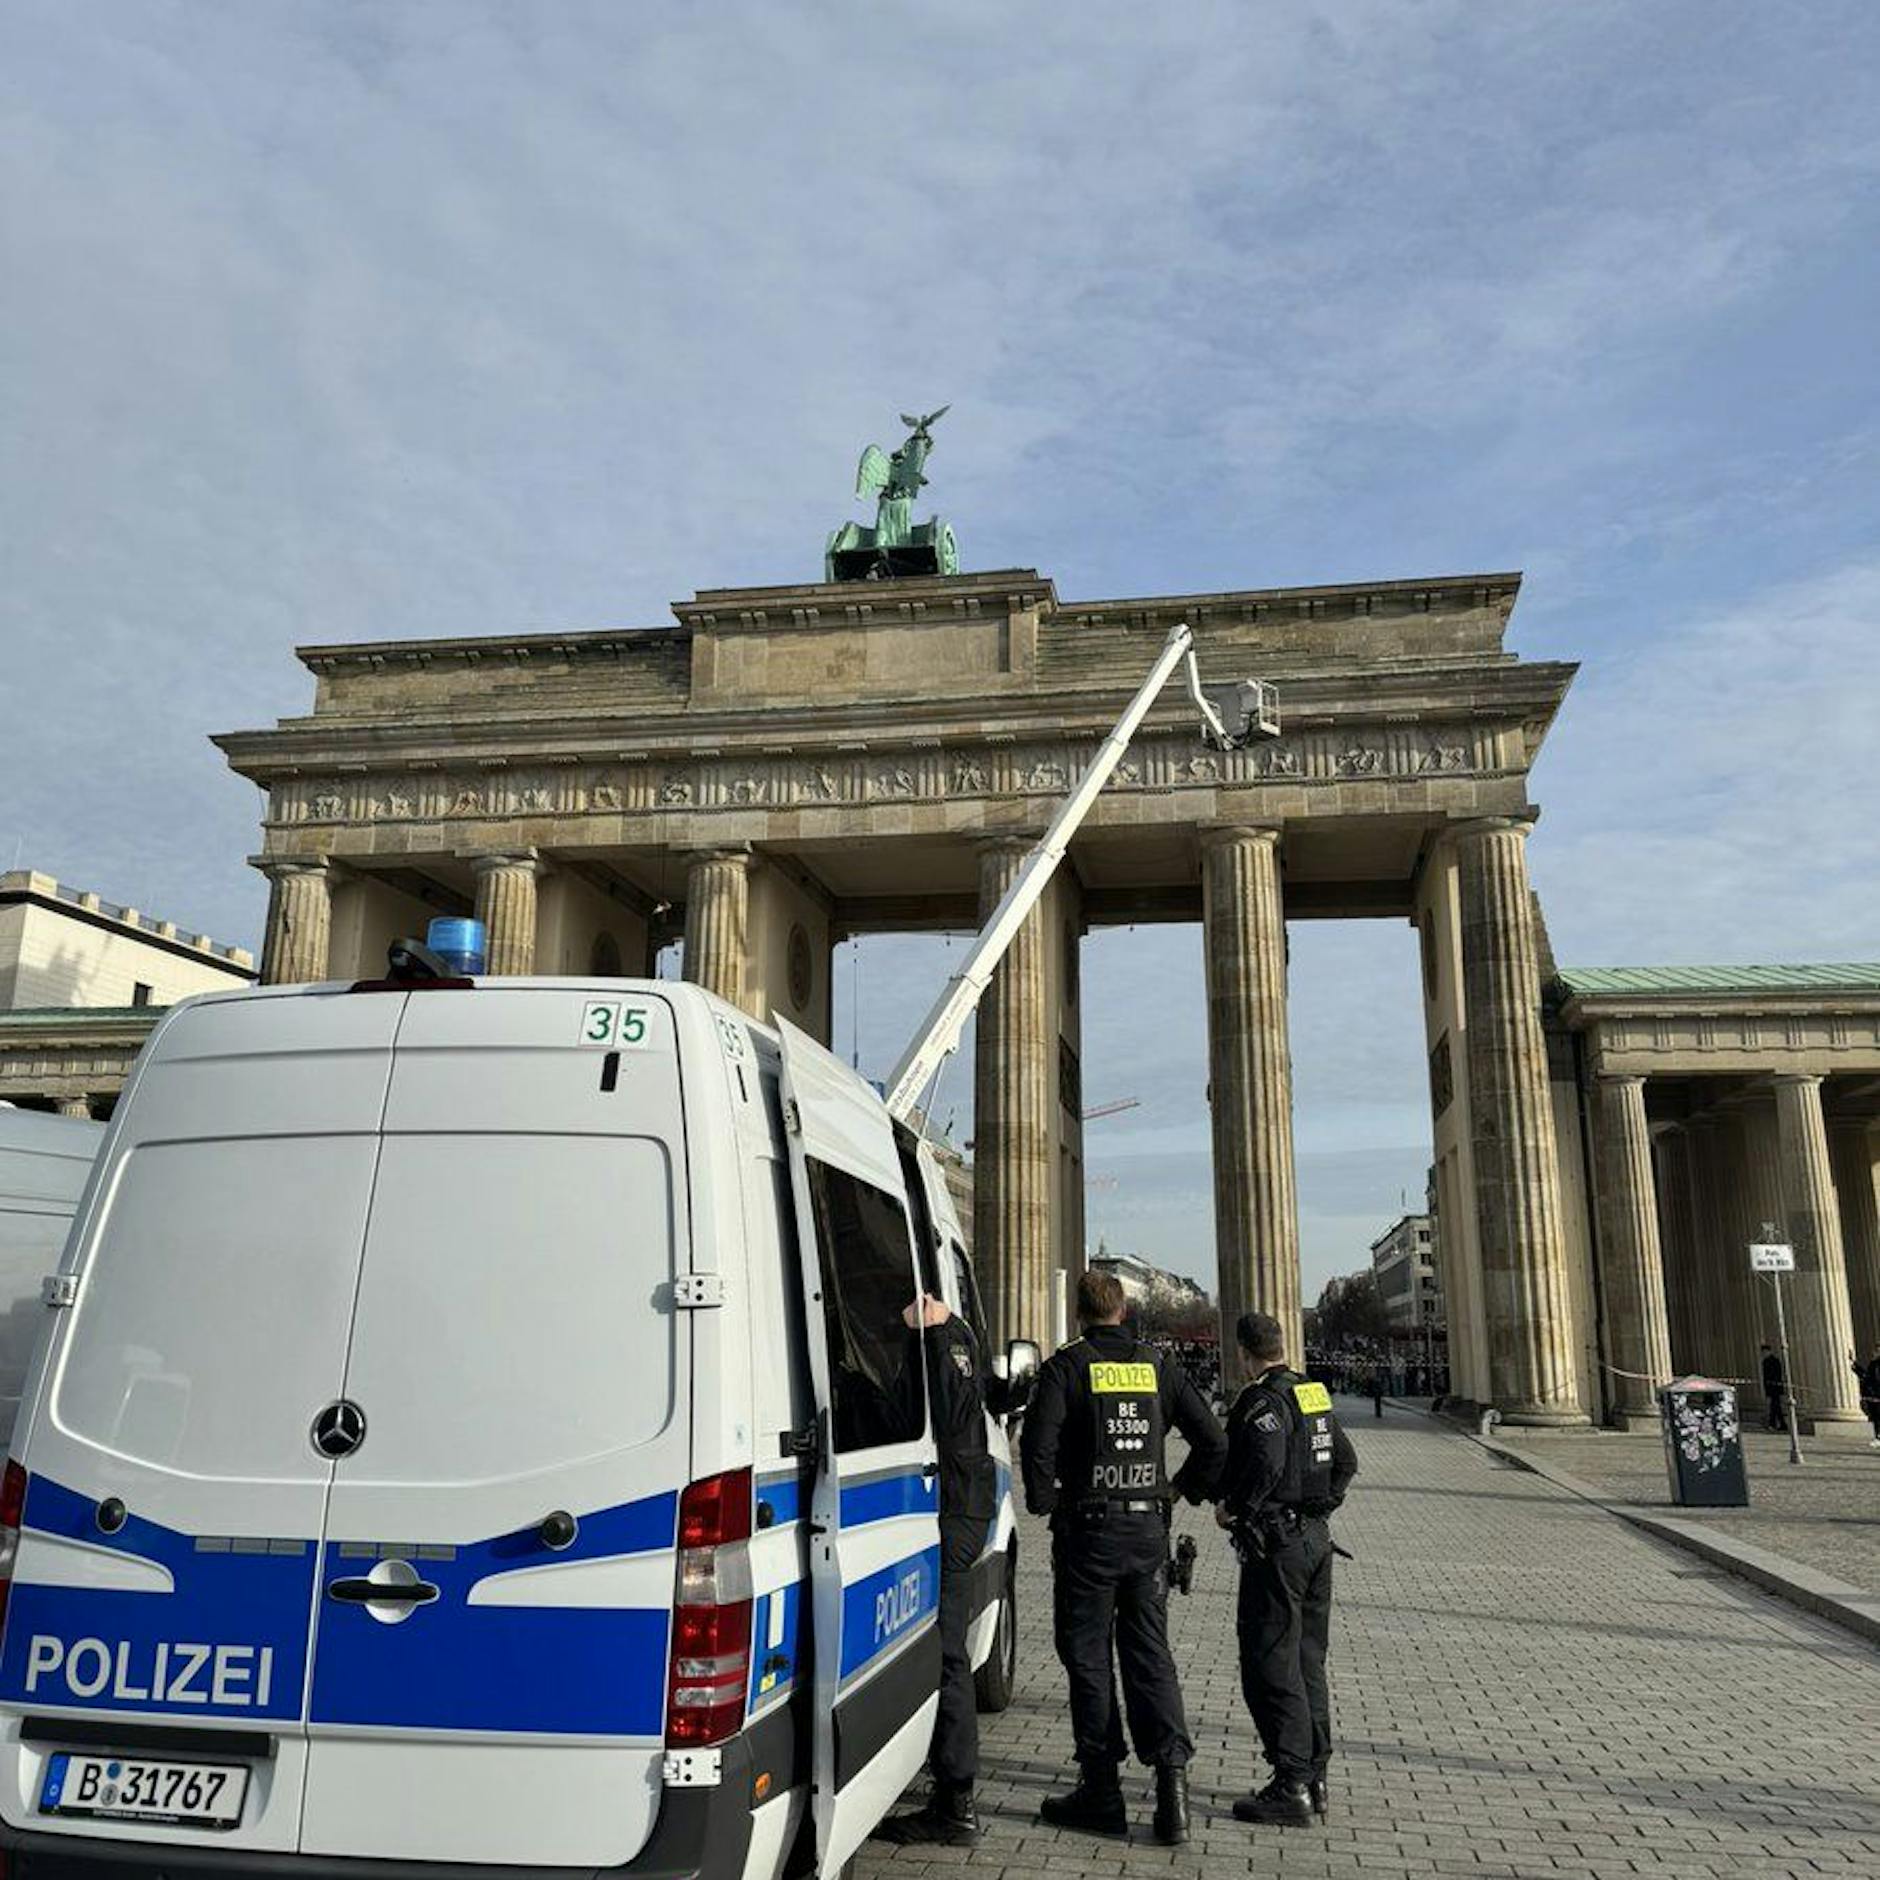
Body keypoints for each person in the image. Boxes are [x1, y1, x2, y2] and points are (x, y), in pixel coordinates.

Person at [1020, 1270, 1226, 1845]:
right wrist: (1178, 1491)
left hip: (1088, 1531)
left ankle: (1102, 1790)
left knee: (1088, 1657)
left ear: (1079, 1312)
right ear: (1125, 1310)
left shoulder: (1067, 1366)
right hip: (1147, 1531)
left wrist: (1044, 1501)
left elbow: (1037, 1445)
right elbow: (1214, 1440)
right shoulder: (1158, 1365)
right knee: (1150, 1654)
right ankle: (1172, 1793)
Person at [1218, 1310, 1358, 1829]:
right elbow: (1346, 1462)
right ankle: (1316, 1775)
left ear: (1243, 1352)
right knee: (1307, 1660)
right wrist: (1319, 1509)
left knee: (1269, 1661)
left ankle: (1290, 1783)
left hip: (1278, 1548)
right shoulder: (1312, 1392)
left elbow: (1268, 1462)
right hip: (1317, 1543)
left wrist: (1236, 1509)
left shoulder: (1261, 1400)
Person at [874, 1291, 997, 1845]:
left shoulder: (947, 1342)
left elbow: (950, 1413)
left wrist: (931, 1335)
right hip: (962, 1506)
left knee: (949, 1655)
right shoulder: (961, 1336)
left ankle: (956, 1802)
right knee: (946, 1652)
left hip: (952, 1509)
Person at [1851, 1345, 1880, 1447]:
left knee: (1877, 1417)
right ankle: (1878, 1437)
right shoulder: (1873, 1364)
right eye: (1875, 1350)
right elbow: (1867, 1377)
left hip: (1876, 1395)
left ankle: (1878, 1437)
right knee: (1876, 1418)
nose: (1874, 1353)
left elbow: (1870, 1379)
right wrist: (1855, 1365)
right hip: (1872, 1396)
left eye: (1877, 1351)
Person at [1761, 1342, 1788, 1432]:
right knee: (1776, 1406)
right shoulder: (1767, 1361)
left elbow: (1776, 1375)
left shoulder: (1772, 1361)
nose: (1764, 1354)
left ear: (1768, 1351)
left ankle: (1773, 1423)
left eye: (1764, 1352)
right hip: (1772, 1388)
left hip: (1774, 1387)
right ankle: (1780, 1424)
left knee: (1775, 1406)